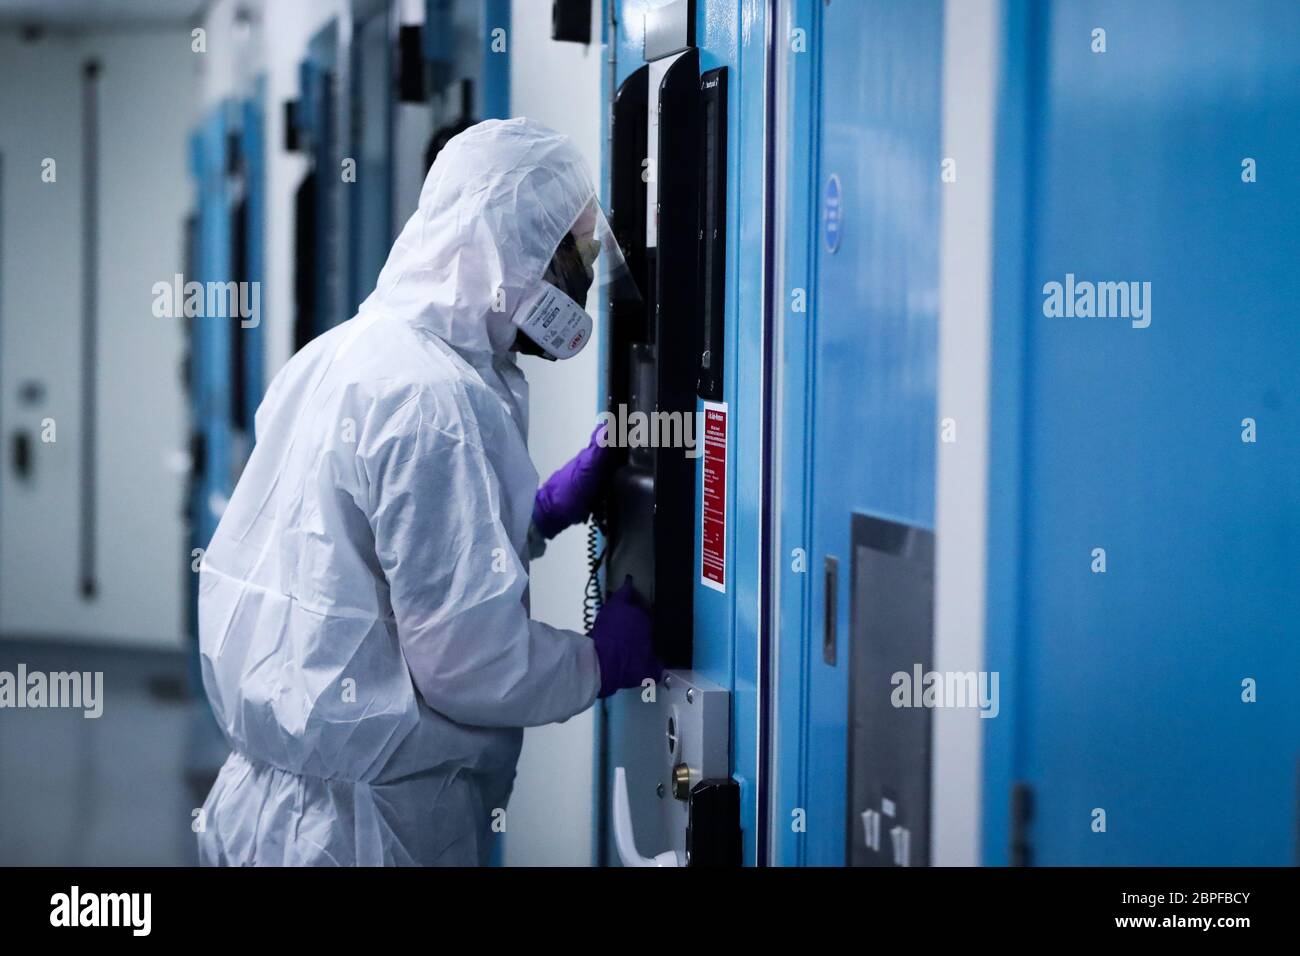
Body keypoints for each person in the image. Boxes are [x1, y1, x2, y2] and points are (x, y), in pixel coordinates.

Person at [196, 118, 661, 866]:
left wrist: (532, 516)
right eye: (571, 255)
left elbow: (358, 559)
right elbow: (471, 663)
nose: (581, 281)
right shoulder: (431, 399)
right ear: (508, 246)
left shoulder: (343, 355)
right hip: (366, 831)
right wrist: (598, 662)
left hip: (271, 809)